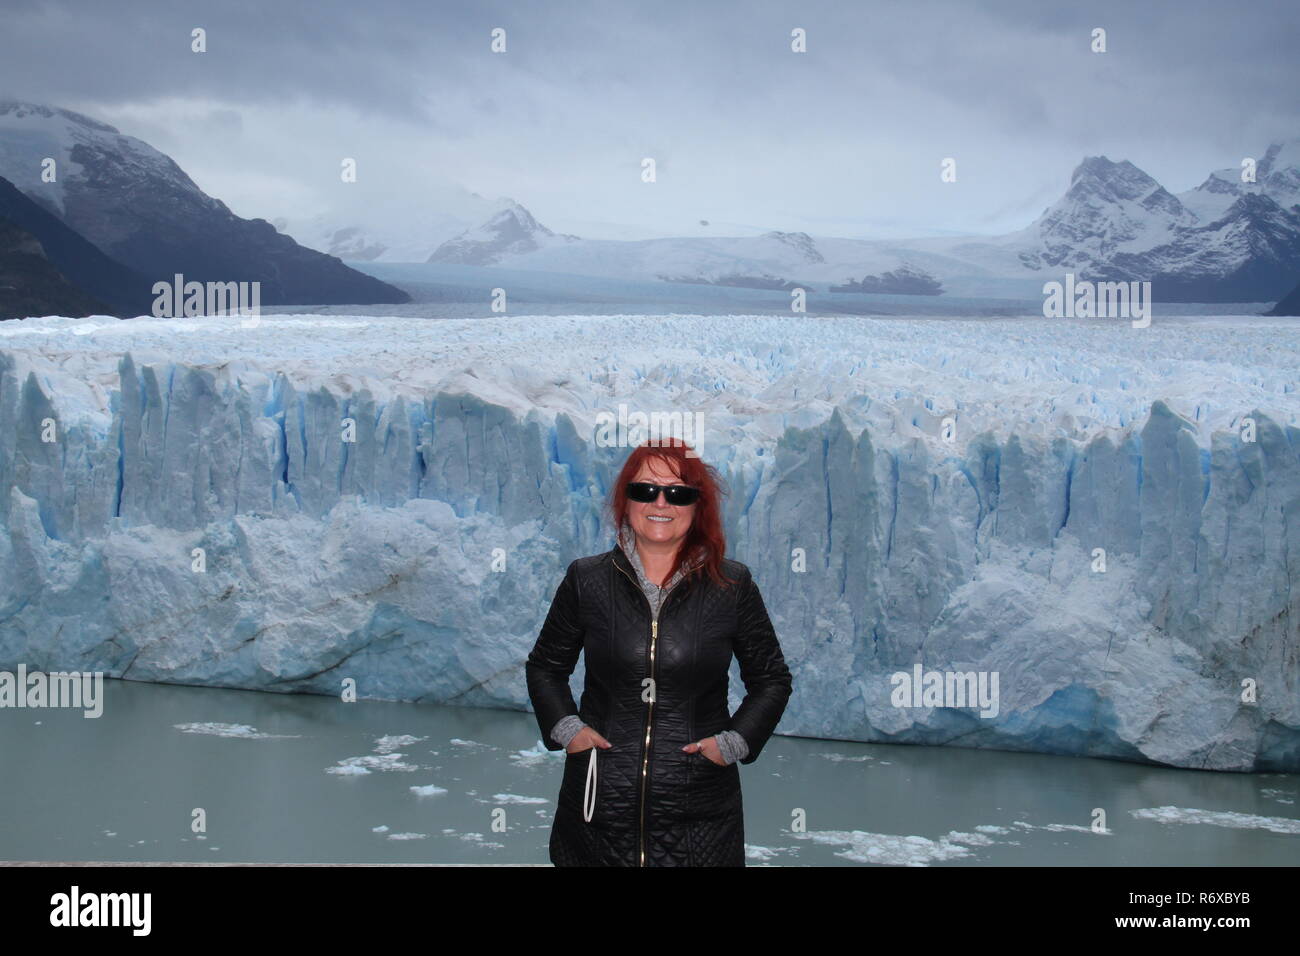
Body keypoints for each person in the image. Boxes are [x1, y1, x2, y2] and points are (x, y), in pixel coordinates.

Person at [526, 438, 793, 866]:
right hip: (598, 807)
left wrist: (734, 742)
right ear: (625, 499)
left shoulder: (731, 585)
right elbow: (545, 667)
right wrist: (566, 728)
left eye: (679, 493)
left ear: (697, 505)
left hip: (700, 813)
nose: (661, 503)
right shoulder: (587, 579)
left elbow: (771, 680)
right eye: (645, 490)